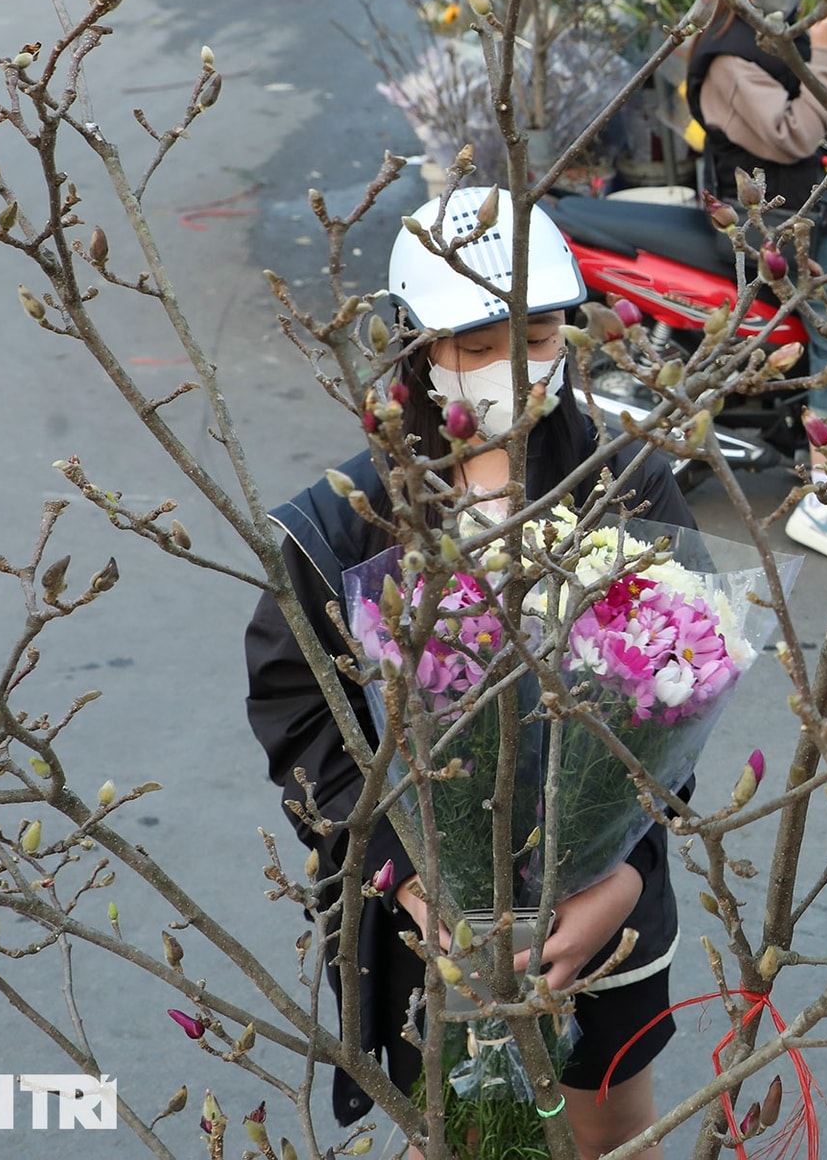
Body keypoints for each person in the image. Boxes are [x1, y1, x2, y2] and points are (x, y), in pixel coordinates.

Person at [244, 188, 692, 1159]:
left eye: (536, 333)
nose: (514, 366)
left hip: (606, 907)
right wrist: (405, 877)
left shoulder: (628, 482)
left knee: (609, 1127)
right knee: (455, 1132)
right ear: (414, 344)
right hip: (433, 927)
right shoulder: (348, 523)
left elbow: (682, 677)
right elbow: (303, 713)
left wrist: (621, 867)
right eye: (477, 342)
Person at [685, 0, 827, 560]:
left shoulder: (777, 34)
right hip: (770, 217)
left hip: (804, 201)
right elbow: (792, 133)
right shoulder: (731, 56)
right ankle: (825, 488)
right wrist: (824, 55)